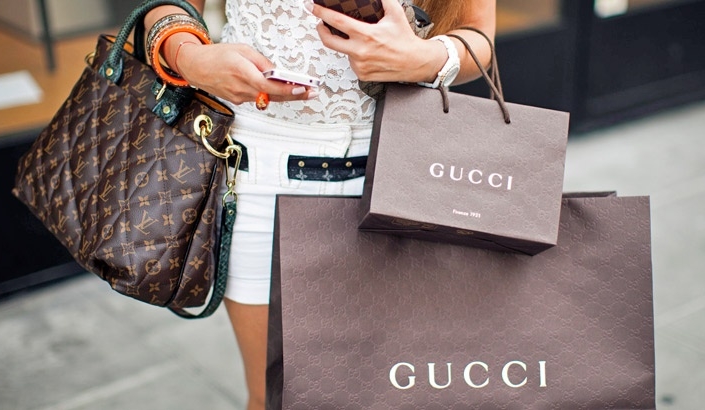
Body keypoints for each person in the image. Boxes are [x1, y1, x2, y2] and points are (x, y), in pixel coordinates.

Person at [144, 0, 496, 408]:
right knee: (277, 397)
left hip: (403, 169)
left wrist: (424, 58)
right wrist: (191, 58)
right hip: (260, 170)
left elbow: (479, 36)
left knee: (401, 391)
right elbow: (165, 7)